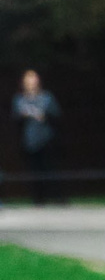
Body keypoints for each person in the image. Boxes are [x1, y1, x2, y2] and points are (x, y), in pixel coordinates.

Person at [14, 72, 60, 205]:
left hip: (47, 139)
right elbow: (15, 120)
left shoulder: (47, 97)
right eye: (28, 79)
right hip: (29, 141)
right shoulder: (19, 99)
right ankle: (38, 200)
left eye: (33, 79)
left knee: (50, 169)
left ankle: (58, 198)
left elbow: (56, 116)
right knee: (34, 171)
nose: (31, 82)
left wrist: (44, 116)